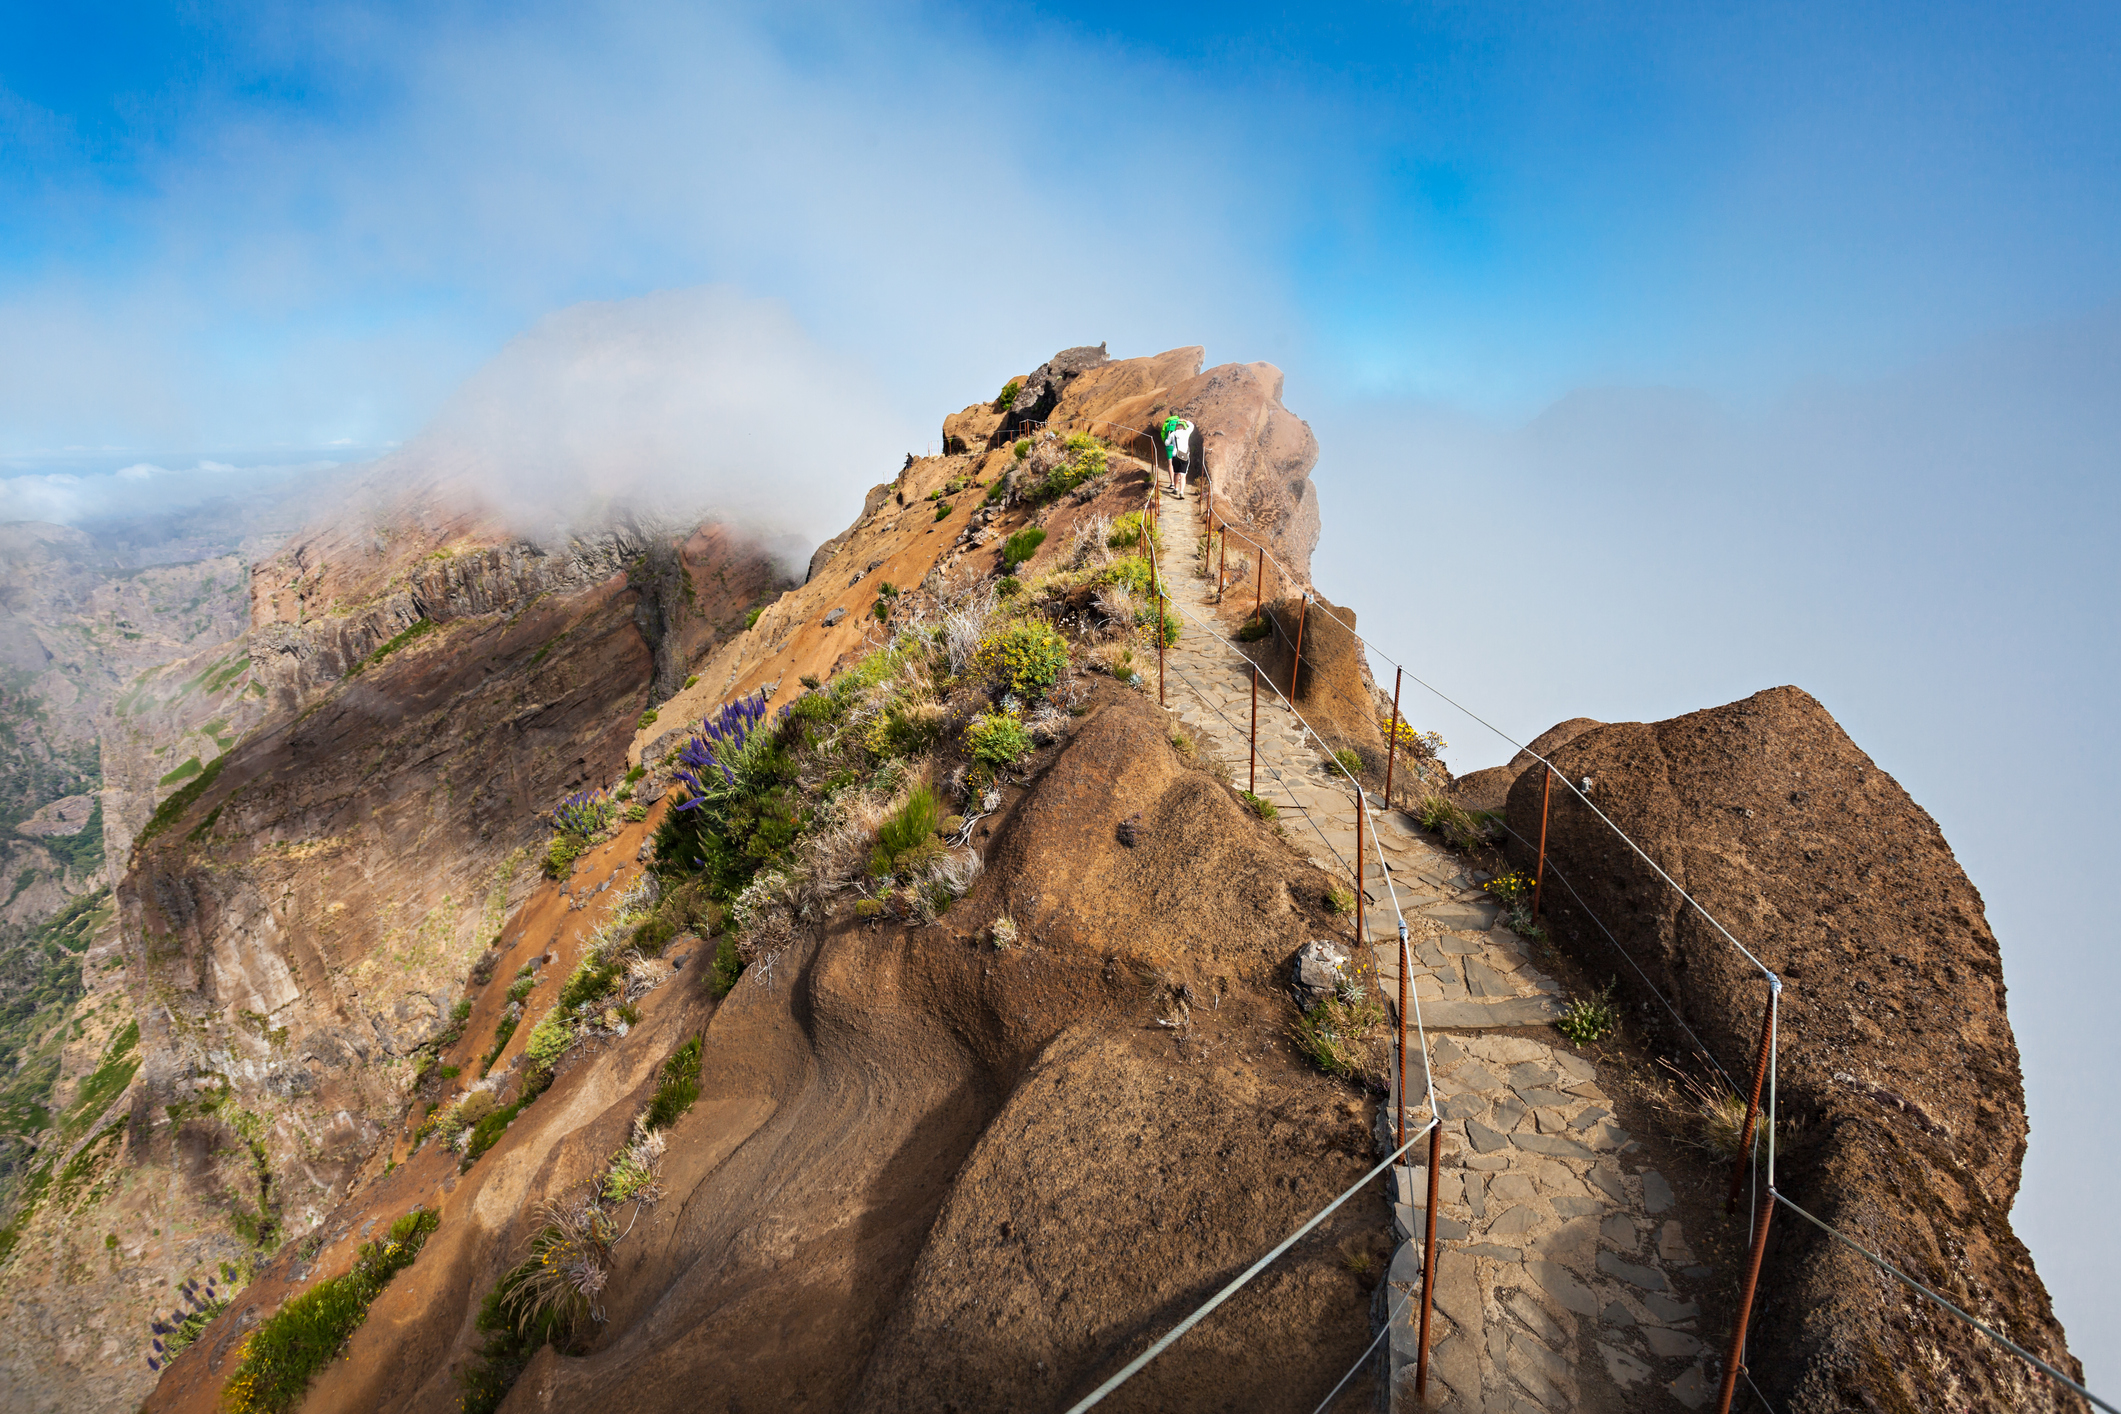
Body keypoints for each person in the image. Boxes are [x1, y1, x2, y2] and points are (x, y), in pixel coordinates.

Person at [1161, 414, 1196, 495]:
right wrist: (1185, 420)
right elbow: (1191, 425)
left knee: (1176, 473)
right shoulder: (1186, 432)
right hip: (1184, 456)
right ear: (1183, 427)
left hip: (1175, 456)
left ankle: (1175, 488)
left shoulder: (1173, 434)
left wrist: (1169, 435)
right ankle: (1181, 492)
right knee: (1183, 475)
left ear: (1176, 428)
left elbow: (1166, 443)